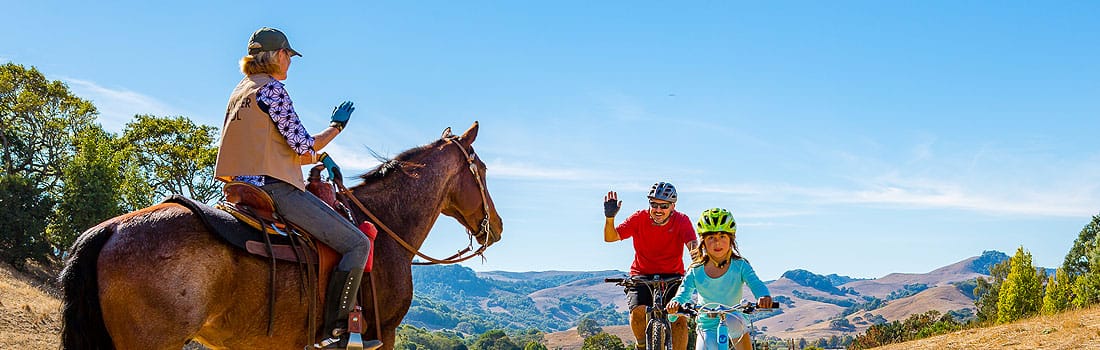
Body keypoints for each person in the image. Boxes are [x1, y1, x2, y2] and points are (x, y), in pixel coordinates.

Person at [214, 27, 380, 350]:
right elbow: (303, 144)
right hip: (275, 191)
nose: (290, 62)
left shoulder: (240, 92)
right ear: (278, 56)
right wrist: (336, 128)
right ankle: (335, 333)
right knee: (357, 244)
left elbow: (275, 151)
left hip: (237, 190)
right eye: (289, 56)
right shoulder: (272, 91)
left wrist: (323, 157)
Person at [604, 182, 699, 350]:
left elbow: (693, 247)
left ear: (673, 206)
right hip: (641, 274)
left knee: (679, 319)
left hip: (673, 275)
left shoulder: (681, 220)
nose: (658, 209)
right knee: (638, 310)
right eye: (654, 204)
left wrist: (698, 264)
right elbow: (611, 237)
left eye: (664, 205)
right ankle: (641, 345)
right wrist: (610, 218)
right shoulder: (639, 218)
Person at [666, 208, 773, 350]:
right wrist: (675, 304)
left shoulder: (740, 265)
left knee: (734, 323)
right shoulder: (696, 270)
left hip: (735, 319)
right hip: (707, 324)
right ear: (703, 242)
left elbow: (756, 284)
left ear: (731, 239)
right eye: (711, 238)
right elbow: (683, 293)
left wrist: (763, 296)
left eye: (722, 237)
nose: (717, 243)